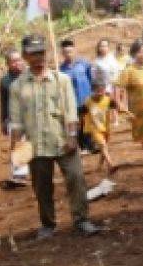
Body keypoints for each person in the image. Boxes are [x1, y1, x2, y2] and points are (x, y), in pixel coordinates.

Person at [8, 35, 98, 238]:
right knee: (42, 186)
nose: (38, 58)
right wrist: (17, 146)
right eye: (33, 54)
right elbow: (16, 120)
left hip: (63, 141)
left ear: (46, 54)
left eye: (41, 53)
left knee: (76, 179)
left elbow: (71, 111)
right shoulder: (17, 87)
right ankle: (48, 224)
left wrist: (73, 136)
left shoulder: (62, 80)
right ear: (25, 56)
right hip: (35, 145)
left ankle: (81, 220)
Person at [60, 39, 96, 153]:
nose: (68, 54)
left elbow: (90, 78)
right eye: (66, 52)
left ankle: (92, 145)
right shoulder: (61, 69)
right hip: (73, 101)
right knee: (78, 124)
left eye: (70, 51)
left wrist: (92, 93)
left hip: (87, 98)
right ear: (62, 54)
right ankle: (83, 146)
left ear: (74, 51)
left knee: (90, 122)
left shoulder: (84, 64)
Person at [0, 49, 28, 184]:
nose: (17, 63)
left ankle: (24, 173)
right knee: (17, 144)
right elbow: (4, 102)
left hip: (31, 116)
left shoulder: (28, 76)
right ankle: (18, 174)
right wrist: (3, 120)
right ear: (8, 64)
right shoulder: (5, 81)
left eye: (19, 60)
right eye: (14, 61)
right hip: (14, 118)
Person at [81, 80, 118, 174]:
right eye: (98, 91)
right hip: (94, 127)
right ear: (93, 91)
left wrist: (128, 113)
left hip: (105, 126)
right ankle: (111, 165)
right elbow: (81, 113)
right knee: (102, 145)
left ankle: (99, 166)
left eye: (102, 91)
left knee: (104, 147)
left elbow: (117, 107)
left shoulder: (108, 99)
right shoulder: (87, 102)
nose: (100, 93)